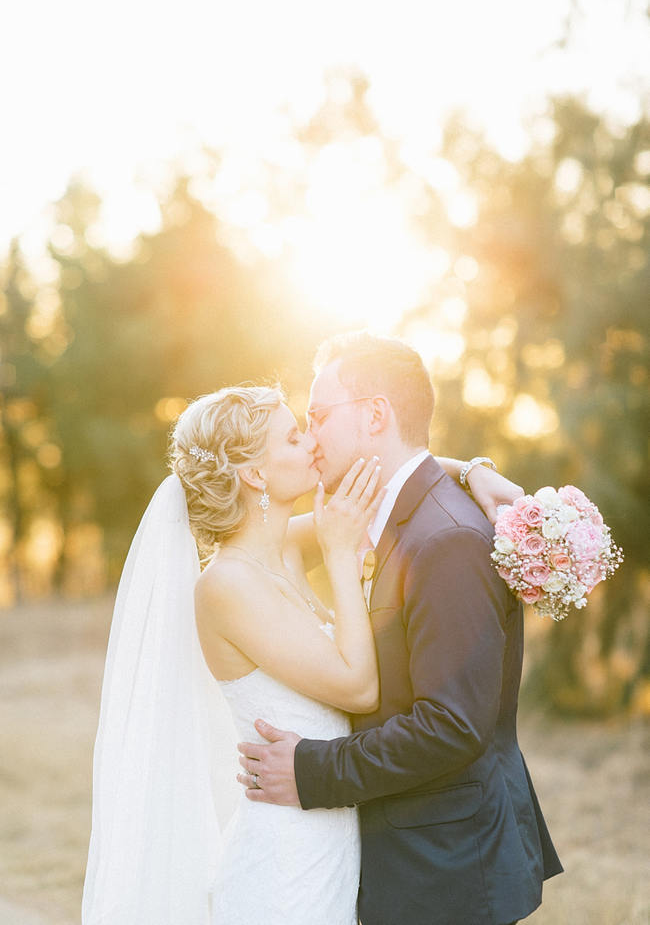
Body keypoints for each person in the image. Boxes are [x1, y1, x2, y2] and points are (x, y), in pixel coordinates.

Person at [82, 381, 522, 925]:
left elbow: (392, 480)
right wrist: (340, 558)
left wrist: (472, 470)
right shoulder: (225, 586)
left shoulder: (285, 544)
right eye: (293, 437)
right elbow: (358, 687)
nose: (313, 442)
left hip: (335, 842)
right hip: (285, 865)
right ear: (256, 475)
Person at [238, 333, 563, 925]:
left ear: (375, 415)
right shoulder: (387, 516)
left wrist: (313, 771)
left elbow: (451, 726)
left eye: (318, 417)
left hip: (448, 871)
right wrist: (471, 468)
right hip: (415, 859)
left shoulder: (447, 541)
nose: (311, 439)